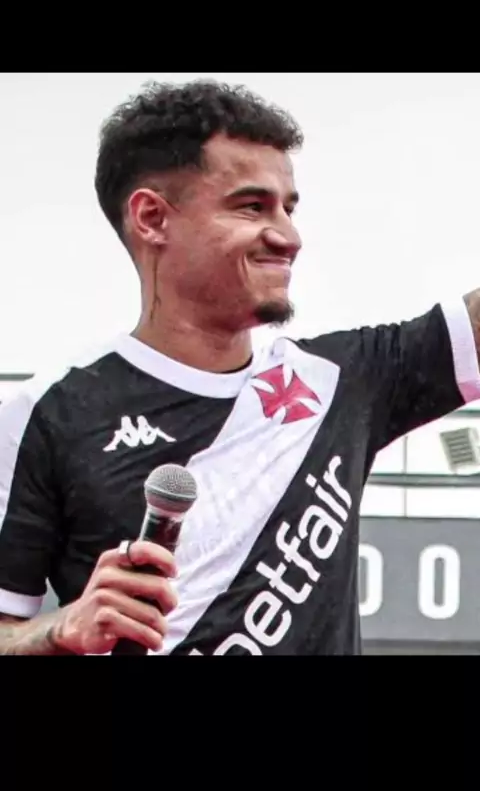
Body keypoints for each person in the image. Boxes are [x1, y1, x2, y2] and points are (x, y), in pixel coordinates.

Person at [1, 80, 480, 656]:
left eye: (289, 208)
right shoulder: (46, 415)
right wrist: (60, 629)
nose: (289, 237)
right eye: (252, 206)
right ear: (152, 217)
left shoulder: (346, 379)